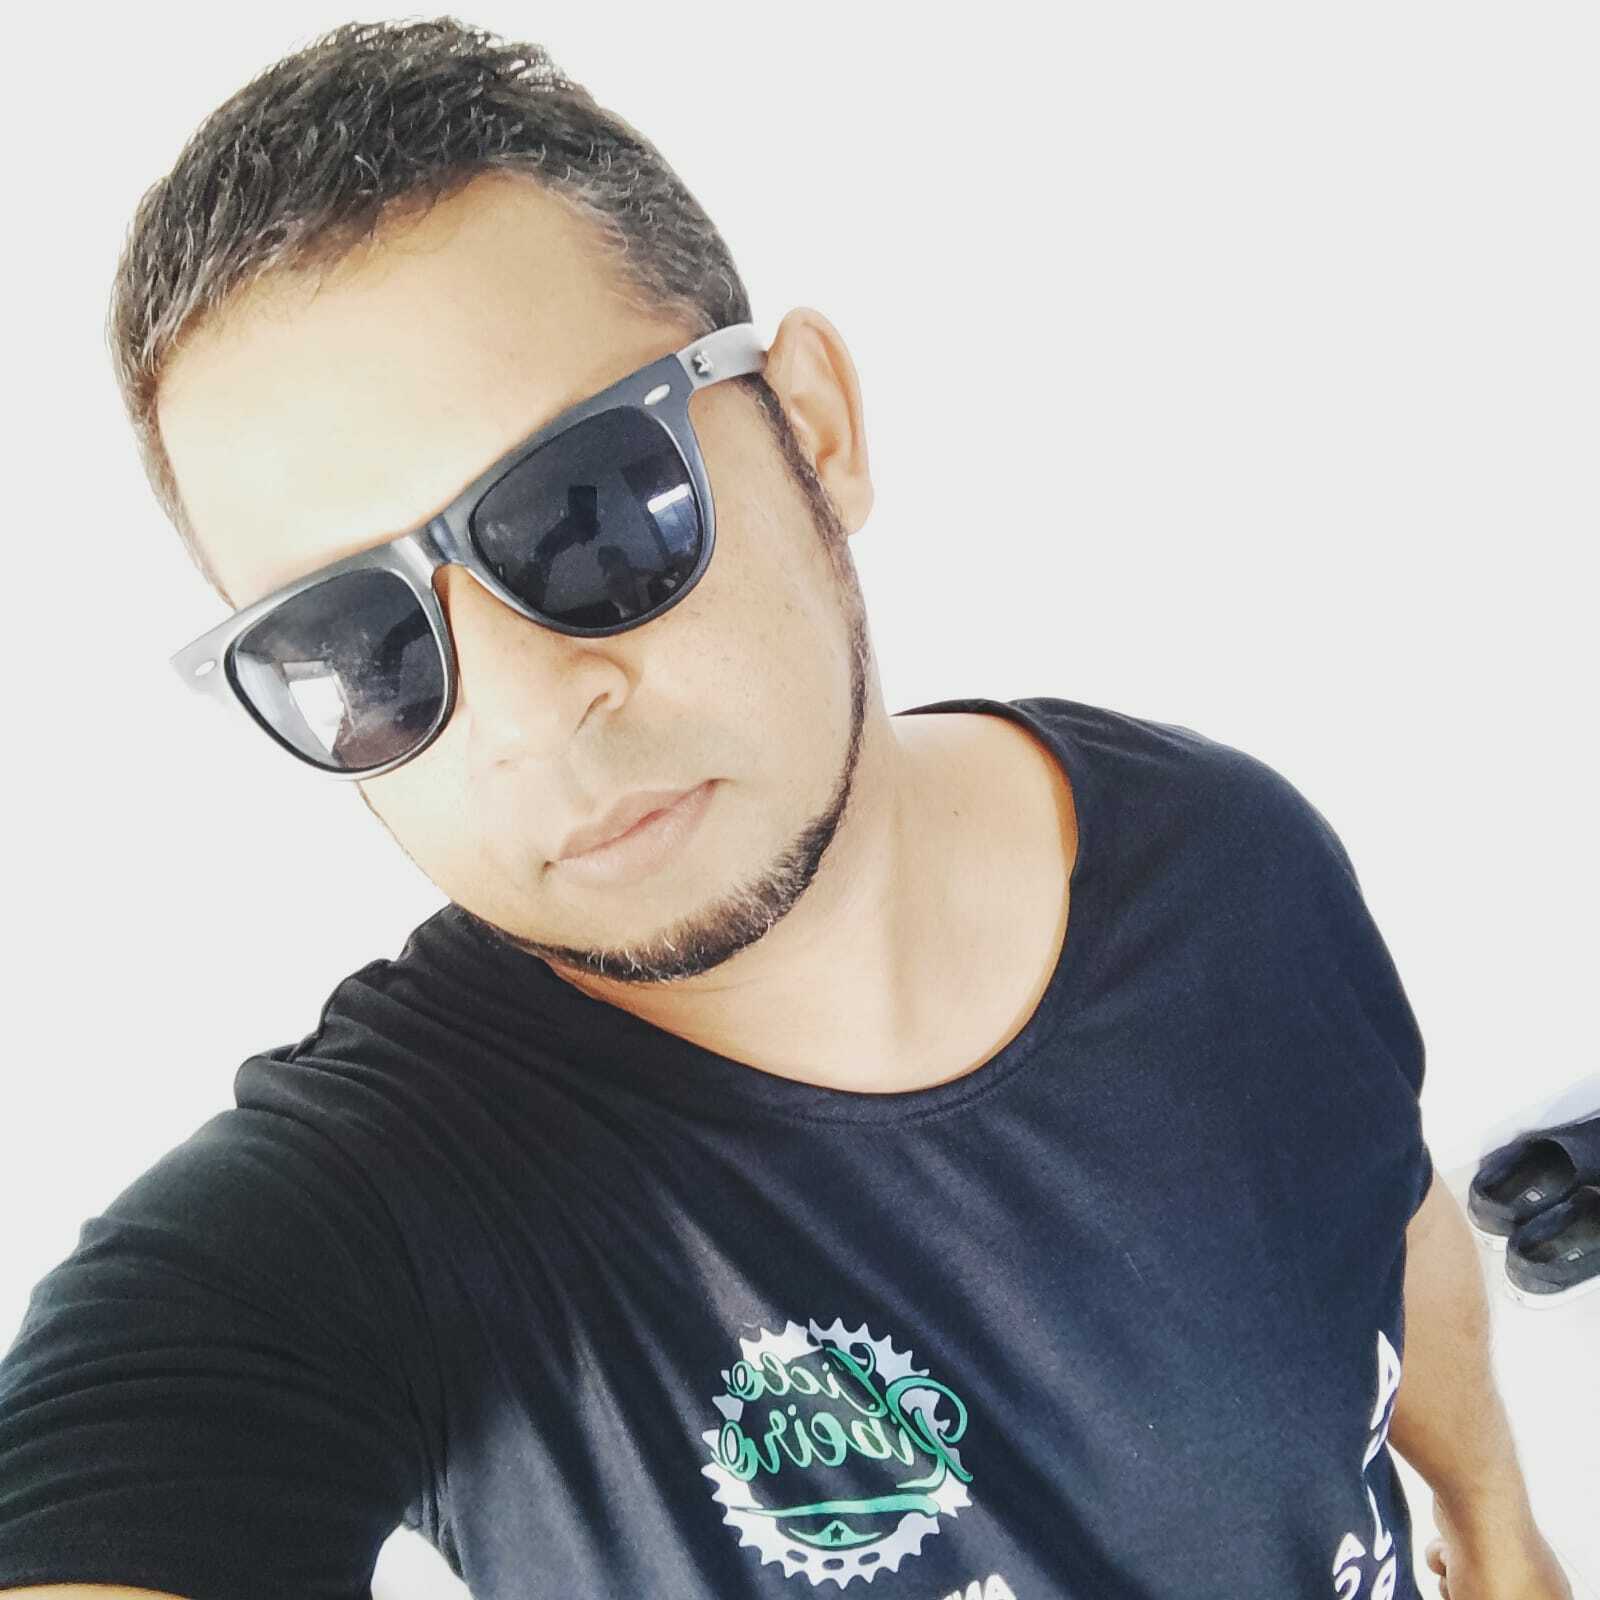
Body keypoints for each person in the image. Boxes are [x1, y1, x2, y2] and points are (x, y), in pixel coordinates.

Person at [0, 18, 1573, 1600]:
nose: (530, 716)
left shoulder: (1234, 863)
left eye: (586, 511)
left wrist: (1496, 1530)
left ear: (815, 427)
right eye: (356, 645)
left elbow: (1381, 1218)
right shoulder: (373, 1224)